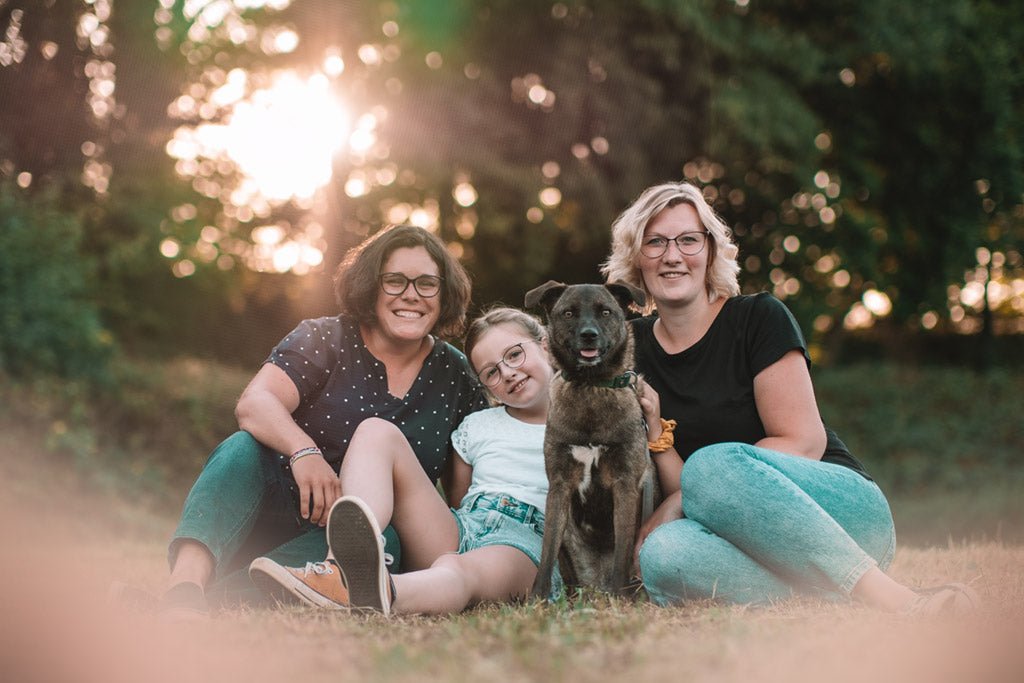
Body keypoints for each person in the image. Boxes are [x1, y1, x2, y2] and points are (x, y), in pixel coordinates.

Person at [601, 180, 978, 615]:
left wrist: (682, 498)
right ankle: (834, 596)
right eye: (655, 242)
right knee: (662, 555)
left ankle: (897, 599)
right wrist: (656, 434)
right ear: (636, 257)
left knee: (710, 465)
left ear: (709, 251)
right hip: (738, 538)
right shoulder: (630, 347)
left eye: (688, 239)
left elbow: (803, 442)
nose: (672, 255)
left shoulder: (759, 317)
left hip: (839, 513)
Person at [149, 224, 488, 618]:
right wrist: (303, 451)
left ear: (444, 294)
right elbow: (255, 403)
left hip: (350, 544)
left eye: (427, 283)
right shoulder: (325, 337)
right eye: (395, 280)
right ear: (370, 286)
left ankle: (215, 600)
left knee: (385, 544)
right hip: (267, 509)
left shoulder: (456, 374)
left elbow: (471, 484)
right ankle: (184, 586)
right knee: (241, 447)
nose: (411, 294)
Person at [248, 306, 554, 616]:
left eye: (514, 355)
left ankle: (383, 592)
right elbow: (460, 498)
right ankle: (337, 568)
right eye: (492, 372)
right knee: (375, 430)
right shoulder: (477, 426)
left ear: (545, 345)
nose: (508, 373)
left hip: (524, 541)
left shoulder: (585, 424)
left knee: (457, 567)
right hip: (465, 525)